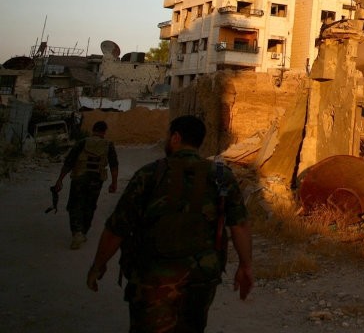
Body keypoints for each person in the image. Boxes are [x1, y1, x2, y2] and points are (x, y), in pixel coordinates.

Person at [85, 115, 253, 332]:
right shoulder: (221, 176)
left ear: (175, 138)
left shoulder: (149, 174)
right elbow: (239, 225)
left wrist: (98, 265)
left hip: (152, 279)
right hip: (200, 280)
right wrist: (246, 266)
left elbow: (117, 228)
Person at [55, 119, 119, 249]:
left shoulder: (82, 143)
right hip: (97, 179)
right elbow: (114, 165)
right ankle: (83, 232)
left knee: (75, 205)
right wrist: (114, 183)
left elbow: (69, 163)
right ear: (104, 132)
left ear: (93, 130)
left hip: (79, 178)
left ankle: (77, 233)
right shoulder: (108, 145)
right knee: (90, 205)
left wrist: (60, 179)